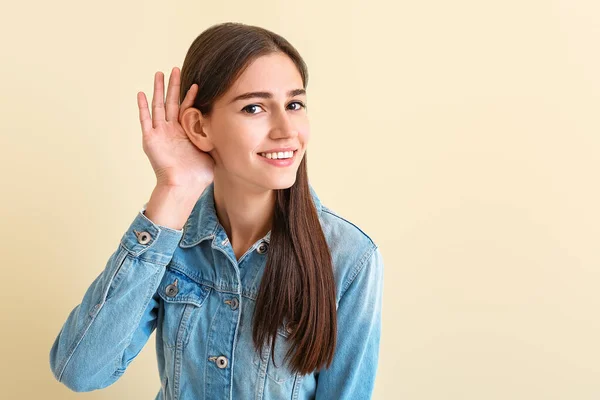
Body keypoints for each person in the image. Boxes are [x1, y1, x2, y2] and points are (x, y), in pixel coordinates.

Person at [49, 22, 384, 400]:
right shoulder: (169, 236)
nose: (285, 130)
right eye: (255, 107)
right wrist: (173, 190)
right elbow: (79, 370)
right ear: (199, 126)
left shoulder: (350, 258)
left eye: (294, 104)